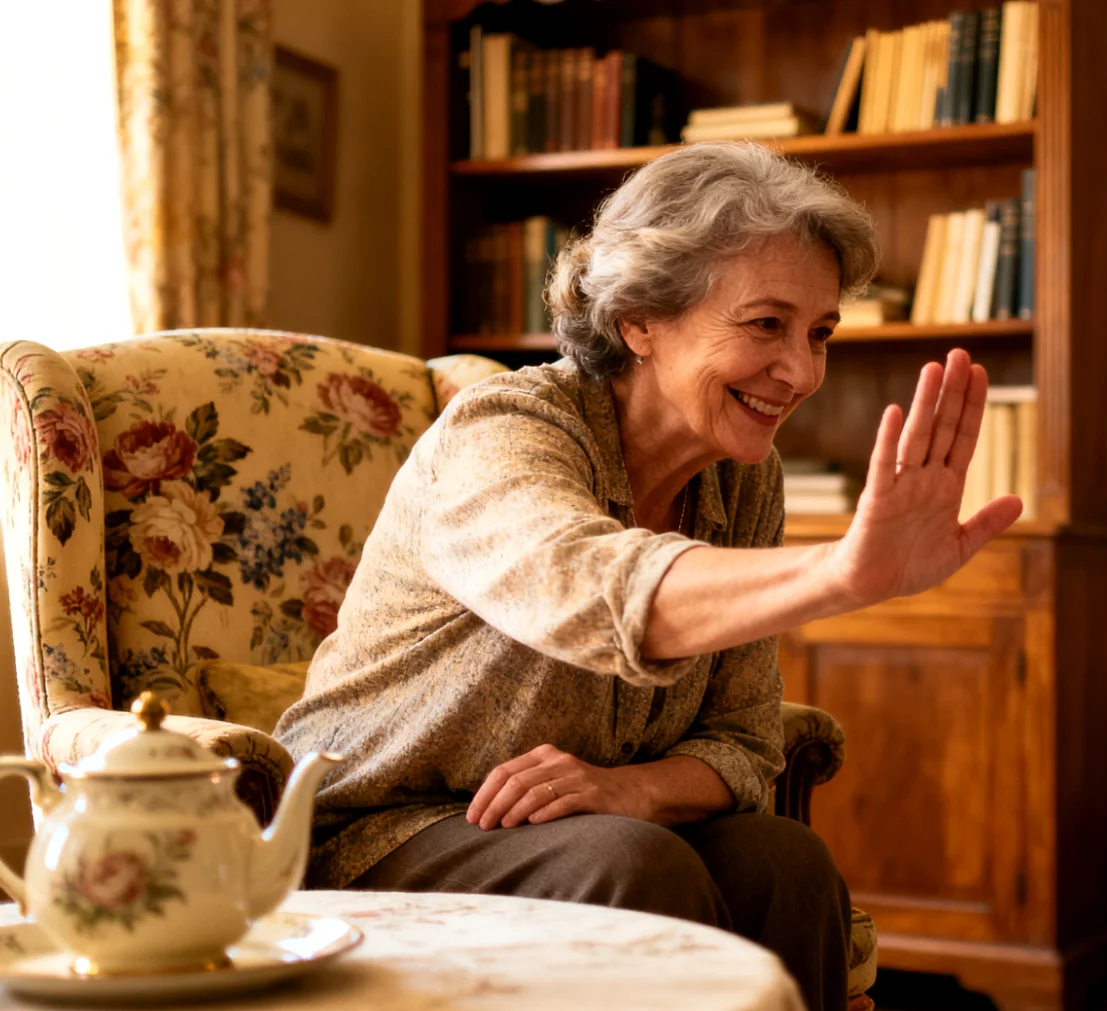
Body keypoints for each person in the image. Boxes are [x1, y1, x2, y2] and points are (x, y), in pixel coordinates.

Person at [274, 142, 1023, 1011]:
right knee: (632, 861)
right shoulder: (502, 430)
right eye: (766, 324)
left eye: (819, 333)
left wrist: (629, 787)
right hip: (376, 831)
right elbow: (583, 585)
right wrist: (843, 574)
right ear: (639, 320)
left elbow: (743, 738)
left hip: (578, 828)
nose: (803, 371)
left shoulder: (743, 479)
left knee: (788, 864)